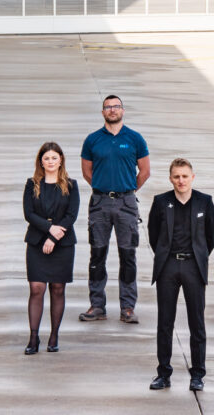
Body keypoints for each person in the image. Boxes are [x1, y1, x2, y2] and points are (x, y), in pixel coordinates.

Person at [147, 158, 214, 392]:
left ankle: (197, 374)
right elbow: (153, 234)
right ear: (170, 178)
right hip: (167, 267)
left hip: (193, 267)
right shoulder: (161, 202)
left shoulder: (204, 202)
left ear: (192, 177)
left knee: (196, 323)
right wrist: (165, 256)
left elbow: (211, 237)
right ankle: (163, 373)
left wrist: (198, 256)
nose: (181, 181)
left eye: (185, 176)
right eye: (176, 176)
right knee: (164, 323)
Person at [78, 94, 150, 323]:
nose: (112, 110)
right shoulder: (92, 140)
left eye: (116, 106)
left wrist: (126, 191)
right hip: (99, 203)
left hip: (126, 203)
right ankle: (97, 305)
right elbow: (87, 172)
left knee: (128, 255)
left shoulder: (135, 139)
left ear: (123, 110)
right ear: (102, 112)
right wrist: (104, 189)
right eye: (108, 107)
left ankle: (127, 307)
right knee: (97, 255)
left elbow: (145, 172)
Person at [21, 141, 79, 355]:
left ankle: (54, 336)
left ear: (61, 159)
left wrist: (54, 237)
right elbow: (29, 214)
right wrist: (48, 230)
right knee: (37, 288)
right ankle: (33, 337)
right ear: (41, 161)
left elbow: (72, 214)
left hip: (63, 244)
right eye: (46, 158)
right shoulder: (32, 184)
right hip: (37, 242)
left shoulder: (71, 185)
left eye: (54, 158)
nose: (50, 161)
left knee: (57, 289)